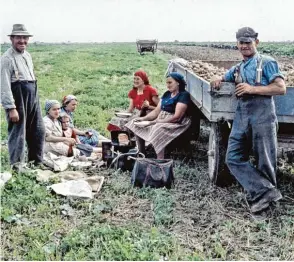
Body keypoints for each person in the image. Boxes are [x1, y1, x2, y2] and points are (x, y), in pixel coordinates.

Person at [211, 27, 286, 215]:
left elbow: (280, 88)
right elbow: (223, 77)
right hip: (242, 116)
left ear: (256, 43)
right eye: (241, 43)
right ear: (237, 44)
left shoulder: (267, 62)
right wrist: (217, 78)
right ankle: (265, 191)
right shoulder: (238, 67)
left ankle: (265, 207)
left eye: (248, 42)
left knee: (265, 160)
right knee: (232, 158)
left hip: (262, 116)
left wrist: (252, 89)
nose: (244, 46)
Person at [0, 24, 45, 170]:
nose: (22, 41)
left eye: (25, 37)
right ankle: (17, 167)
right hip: (18, 99)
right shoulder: (6, 58)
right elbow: (4, 85)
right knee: (18, 133)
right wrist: (11, 108)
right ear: (11, 39)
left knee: (38, 130)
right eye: (18, 37)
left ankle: (36, 163)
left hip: (32, 96)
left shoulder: (27, 55)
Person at [125, 72, 191, 159]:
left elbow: (177, 117)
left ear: (178, 82)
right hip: (161, 118)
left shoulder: (183, 95)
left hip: (175, 122)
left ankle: (160, 159)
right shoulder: (167, 94)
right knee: (135, 122)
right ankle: (141, 152)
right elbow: (156, 112)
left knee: (157, 128)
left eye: (170, 83)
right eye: (167, 83)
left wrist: (154, 122)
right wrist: (143, 119)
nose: (167, 85)